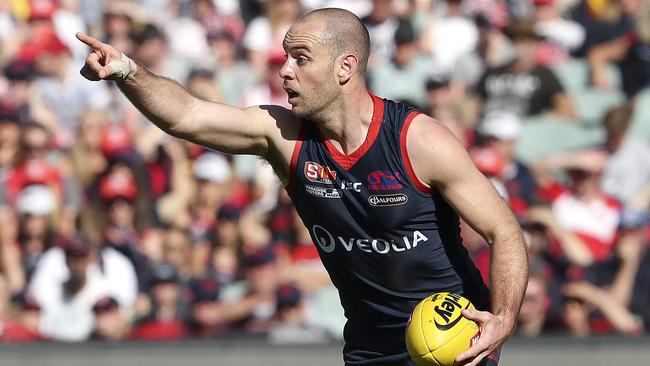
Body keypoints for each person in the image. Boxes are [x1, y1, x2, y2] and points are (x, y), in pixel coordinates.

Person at [76, 7, 528, 366]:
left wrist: (504, 318)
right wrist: (127, 71)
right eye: (285, 57)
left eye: (301, 58)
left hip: (453, 340)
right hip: (368, 346)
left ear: (345, 66)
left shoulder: (418, 140)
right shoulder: (283, 137)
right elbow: (186, 116)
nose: (285, 70)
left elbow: (504, 231)